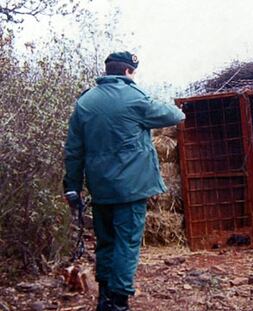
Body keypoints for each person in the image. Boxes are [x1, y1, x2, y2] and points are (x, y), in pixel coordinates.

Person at [63, 51, 185, 311]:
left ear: (107, 71)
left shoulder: (85, 102)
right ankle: (118, 303)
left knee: (106, 243)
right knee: (126, 245)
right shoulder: (134, 97)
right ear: (129, 71)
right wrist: (177, 106)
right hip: (130, 190)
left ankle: (104, 299)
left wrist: (71, 187)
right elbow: (173, 116)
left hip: (100, 189)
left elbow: (73, 150)